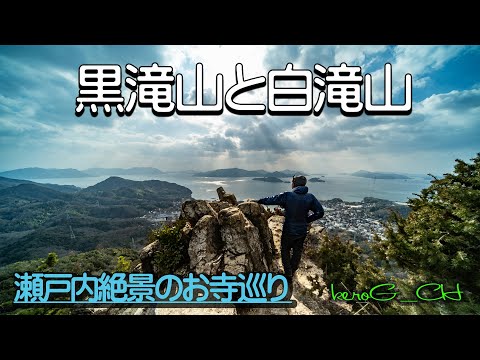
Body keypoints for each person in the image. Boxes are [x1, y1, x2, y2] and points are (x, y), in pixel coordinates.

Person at [255, 175, 324, 285]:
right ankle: (292, 271)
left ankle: (288, 274)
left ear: (294, 184)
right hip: (302, 231)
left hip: (289, 230)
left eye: (292, 182)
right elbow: (320, 212)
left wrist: (258, 201)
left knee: (285, 250)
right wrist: (307, 220)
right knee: (297, 251)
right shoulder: (310, 197)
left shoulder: (288, 195)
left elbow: (272, 200)